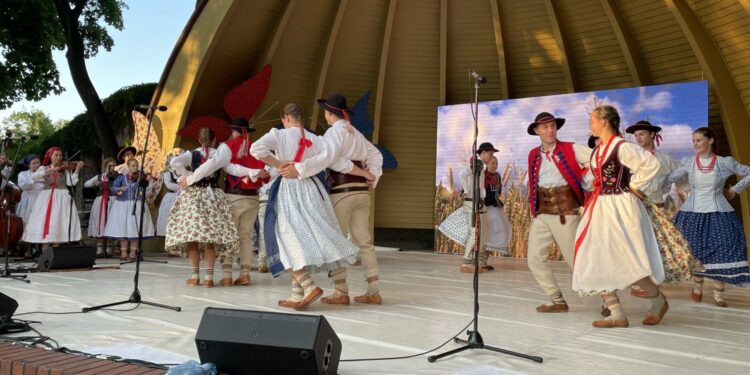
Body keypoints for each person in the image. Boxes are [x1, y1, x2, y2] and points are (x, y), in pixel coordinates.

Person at [252, 102, 373, 310]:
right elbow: (330, 159)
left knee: (285, 239)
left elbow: (257, 149)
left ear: (286, 118)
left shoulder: (279, 134)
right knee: (306, 236)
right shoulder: (316, 138)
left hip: (289, 188)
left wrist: (279, 164)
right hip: (311, 188)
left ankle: (308, 287)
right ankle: (296, 294)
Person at [280, 94, 384, 305]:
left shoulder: (332, 133)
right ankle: (373, 290)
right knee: (365, 241)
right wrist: (371, 175)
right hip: (362, 192)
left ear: (328, 113)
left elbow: (331, 160)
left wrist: (299, 169)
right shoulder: (356, 132)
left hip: (342, 190)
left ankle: (340, 291)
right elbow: (376, 155)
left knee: (335, 239)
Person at [573, 105, 667, 328]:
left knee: (627, 259)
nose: (591, 125)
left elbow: (652, 164)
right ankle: (616, 312)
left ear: (603, 122)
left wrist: (634, 185)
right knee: (595, 256)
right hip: (601, 206)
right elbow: (594, 180)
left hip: (621, 206)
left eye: (593, 121)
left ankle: (658, 300)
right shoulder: (598, 150)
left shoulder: (621, 147)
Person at [669, 127, 750, 307]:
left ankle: (719, 294)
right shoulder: (688, 162)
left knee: (722, 249)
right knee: (695, 249)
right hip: (692, 213)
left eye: (698, 140)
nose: (695, 144)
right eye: (693, 141)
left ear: (710, 140)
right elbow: (670, 178)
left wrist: (734, 190)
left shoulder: (724, 162)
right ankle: (697, 286)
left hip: (719, 213)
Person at [172, 126, 257, 287]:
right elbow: (233, 169)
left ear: (199, 139)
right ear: (215, 140)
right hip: (213, 197)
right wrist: (252, 172)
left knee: (193, 238)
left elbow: (173, 161)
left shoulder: (192, 154)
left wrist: (187, 174)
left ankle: (195, 275)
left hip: (194, 197)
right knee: (209, 239)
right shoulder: (219, 154)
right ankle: (209, 279)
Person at [525, 112, 591, 313]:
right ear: (537, 131)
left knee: (577, 262)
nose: (550, 130)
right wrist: (532, 209)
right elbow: (532, 184)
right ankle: (556, 299)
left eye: (552, 126)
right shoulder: (533, 154)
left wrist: (587, 177)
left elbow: (597, 159)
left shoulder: (570, 148)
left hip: (565, 213)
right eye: (545, 127)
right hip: (542, 214)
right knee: (534, 259)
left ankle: (608, 299)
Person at [437, 143, 498, 273]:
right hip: (473, 202)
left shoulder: (480, 165)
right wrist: (466, 190)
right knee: (475, 233)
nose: (491, 156)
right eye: (490, 154)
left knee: (483, 232)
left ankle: (478, 261)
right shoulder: (477, 163)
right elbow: (462, 174)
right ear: (483, 153)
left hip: (479, 203)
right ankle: (466, 262)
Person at [21, 147, 84, 248]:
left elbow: (70, 182)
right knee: (45, 222)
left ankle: (55, 254)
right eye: (56, 155)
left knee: (58, 222)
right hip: (46, 197)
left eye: (60, 155)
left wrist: (77, 169)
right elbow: (33, 178)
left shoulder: (65, 169)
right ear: (50, 156)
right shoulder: (43, 168)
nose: (59, 157)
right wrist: (48, 171)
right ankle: (45, 255)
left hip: (61, 197)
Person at [103, 158, 156, 261]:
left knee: (134, 230)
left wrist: (146, 182)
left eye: (136, 166)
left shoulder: (140, 178)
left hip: (136, 204)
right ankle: (123, 253)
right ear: (128, 166)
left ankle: (132, 253)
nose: (135, 168)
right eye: (133, 166)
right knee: (123, 229)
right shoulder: (121, 178)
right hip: (122, 205)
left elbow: (144, 191)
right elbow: (113, 187)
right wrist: (119, 190)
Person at [84, 157, 117, 257]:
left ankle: (109, 249)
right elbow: (86, 184)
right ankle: (99, 250)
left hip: (113, 200)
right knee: (100, 223)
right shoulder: (99, 177)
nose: (112, 168)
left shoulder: (117, 176)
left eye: (113, 166)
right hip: (101, 200)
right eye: (109, 166)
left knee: (111, 223)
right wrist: (94, 183)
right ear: (105, 167)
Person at [16, 154, 44, 258]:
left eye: (38, 163)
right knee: (27, 223)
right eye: (34, 163)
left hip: (41, 200)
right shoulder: (22, 174)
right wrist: (36, 179)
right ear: (29, 165)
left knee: (41, 223)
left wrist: (36, 180)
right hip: (28, 200)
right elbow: (24, 185)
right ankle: (28, 249)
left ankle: (41, 248)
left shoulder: (44, 172)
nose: (37, 165)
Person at [483, 156, 512, 254]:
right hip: (486, 206)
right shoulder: (483, 175)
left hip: (496, 205)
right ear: (487, 164)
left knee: (499, 231)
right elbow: (476, 187)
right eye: (492, 163)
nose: (495, 165)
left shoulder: (497, 176)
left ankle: (484, 260)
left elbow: (499, 191)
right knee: (490, 233)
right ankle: (481, 260)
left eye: (496, 163)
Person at [155, 151, 182, 237]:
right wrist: (181, 186)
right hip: (171, 197)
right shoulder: (168, 174)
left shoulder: (184, 173)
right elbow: (169, 185)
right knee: (168, 215)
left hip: (183, 196)